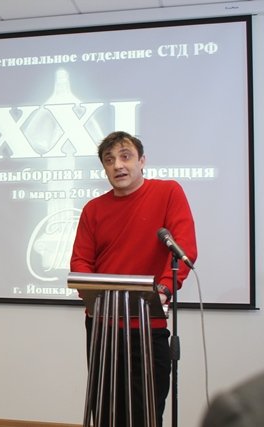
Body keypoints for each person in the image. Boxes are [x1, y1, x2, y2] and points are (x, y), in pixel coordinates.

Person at [70, 131, 197, 427]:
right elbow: (80, 262)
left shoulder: (168, 192)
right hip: (103, 327)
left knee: (146, 413)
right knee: (105, 411)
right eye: (109, 160)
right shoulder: (93, 209)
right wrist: (89, 292)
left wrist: (164, 289)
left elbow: (184, 247)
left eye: (125, 156)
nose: (118, 165)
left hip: (148, 324)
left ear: (142, 161)